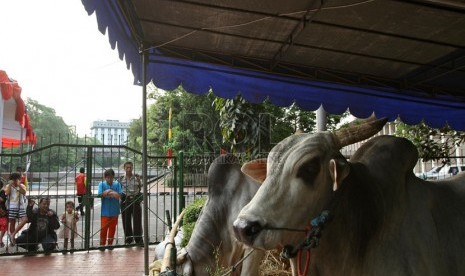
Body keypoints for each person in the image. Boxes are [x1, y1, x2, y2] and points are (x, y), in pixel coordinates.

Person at [97, 168, 121, 250]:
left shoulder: (117, 184)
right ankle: (102, 244)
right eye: (108, 177)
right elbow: (101, 194)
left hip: (115, 211)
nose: (110, 179)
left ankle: (110, 244)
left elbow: (118, 196)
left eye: (111, 177)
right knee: (103, 228)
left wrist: (108, 192)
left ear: (113, 177)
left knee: (112, 228)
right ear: (105, 177)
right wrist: (112, 192)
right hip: (105, 211)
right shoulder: (101, 184)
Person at [120, 161, 143, 245]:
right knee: (126, 220)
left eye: (130, 167)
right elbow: (119, 189)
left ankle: (138, 239)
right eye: (127, 167)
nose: (129, 169)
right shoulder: (121, 178)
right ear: (124, 168)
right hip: (125, 201)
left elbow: (140, 188)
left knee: (137, 220)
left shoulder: (137, 178)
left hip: (135, 200)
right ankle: (128, 240)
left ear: (132, 168)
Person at [4, 172, 27, 245]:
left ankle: (13, 234)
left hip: (21, 206)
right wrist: (10, 185)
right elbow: (6, 193)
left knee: (25, 219)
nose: (15, 181)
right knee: (12, 222)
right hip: (12, 206)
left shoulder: (22, 186)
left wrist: (19, 185)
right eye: (13, 179)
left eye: (16, 179)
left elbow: (23, 192)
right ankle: (12, 239)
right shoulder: (8, 186)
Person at [0, 179, 8, 248]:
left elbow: (2, 199)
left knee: (4, 226)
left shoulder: (2, 191)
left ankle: (0, 240)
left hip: (2, 212)